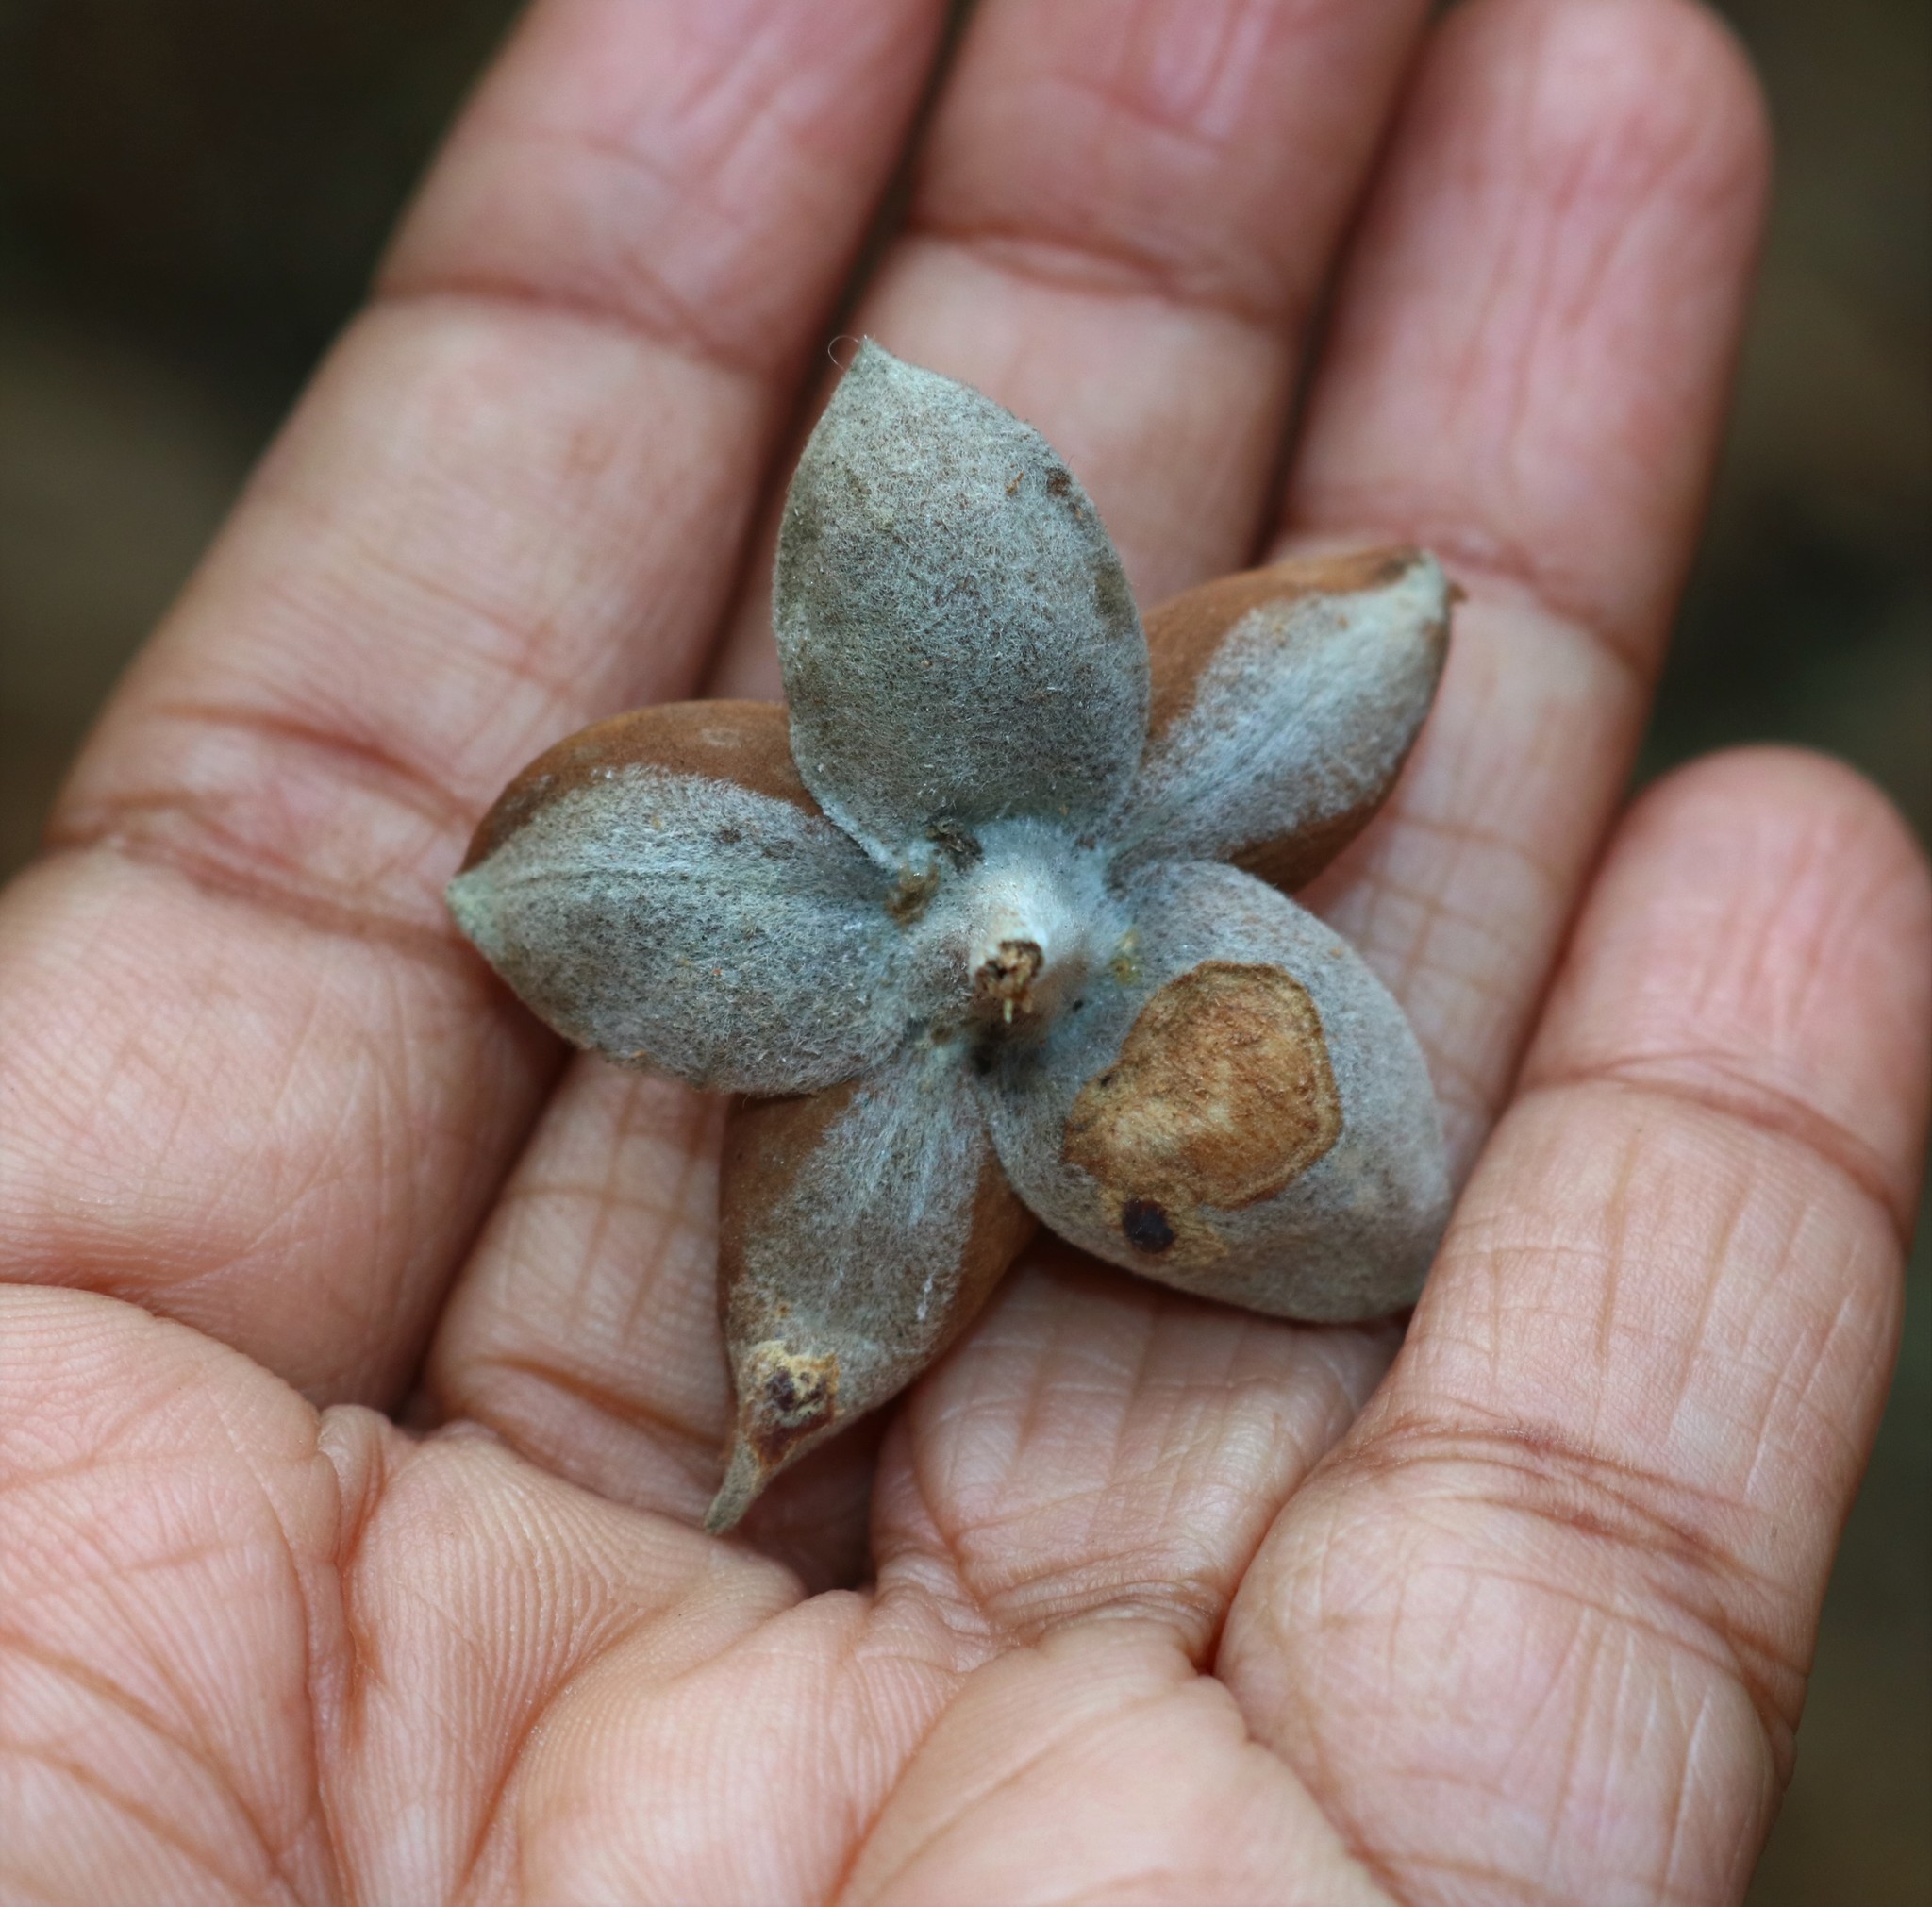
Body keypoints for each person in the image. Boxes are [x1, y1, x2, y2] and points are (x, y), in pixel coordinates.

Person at [2, 0, 1925, 1898]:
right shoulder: (737, 904)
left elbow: (1352, 640)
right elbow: (584, 928)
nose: (1013, 972)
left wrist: (1401, 614)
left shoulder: (1240, 761)